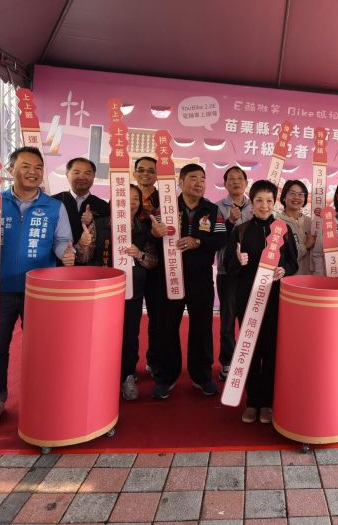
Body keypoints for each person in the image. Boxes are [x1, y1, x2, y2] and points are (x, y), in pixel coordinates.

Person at [0, 146, 75, 429]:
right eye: (26, 166)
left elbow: (62, 240)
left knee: (42, 346)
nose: (33, 172)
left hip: (41, 291)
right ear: (10, 169)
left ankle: (43, 396)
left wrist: (66, 253)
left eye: (38, 167)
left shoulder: (54, 207)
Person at [149, 163, 227, 399]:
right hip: (170, 277)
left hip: (200, 279)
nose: (199, 183)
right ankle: (165, 377)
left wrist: (198, 242)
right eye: (193, 178)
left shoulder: (212, 210)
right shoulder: (167, 208)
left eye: (202, 179)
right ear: (181, 182)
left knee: (202, 328)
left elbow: (221, 239)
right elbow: (154, 239)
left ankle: (202, 377)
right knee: (167, 327)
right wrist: (155, 233)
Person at [225, 180, 299, 423]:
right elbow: (228, 265)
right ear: (252, 202)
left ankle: (267, 402)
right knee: (250, 349)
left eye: (269, 201)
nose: (264, 205)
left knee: (270, 349)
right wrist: (239, 261)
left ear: (275, 202)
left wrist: (283, 271)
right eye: (259, 200)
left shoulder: (284, 229)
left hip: (275, 300)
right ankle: (252, 401)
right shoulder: (241, 230)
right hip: (248, 299)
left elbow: (293, 263)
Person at [78, 184, 155, 400]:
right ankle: (99, 376)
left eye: (135, 199)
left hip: (132, 291)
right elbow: (83, 258)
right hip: (101, 292)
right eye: (125, 198)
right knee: (99, 335)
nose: (130, 203)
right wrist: (82, 244)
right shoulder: (99, 225)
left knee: (130, 335)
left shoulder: (143, 228)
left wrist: (140, 255)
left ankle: (127, 376)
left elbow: (153, 261)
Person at [216, 166, 252, 381]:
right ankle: (228, 361)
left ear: (246, 183)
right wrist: (229, 222)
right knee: (227, 320)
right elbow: (215, 240)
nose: (236, 182)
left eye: (240, 178)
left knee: (249, 318)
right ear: (225, 183)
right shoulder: (217, 208)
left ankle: (248, 360)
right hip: (226, 271)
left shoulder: (255, 205)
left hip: (251, 272)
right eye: (231, 179)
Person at [133, 156, 161, 377]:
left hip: (155, 264)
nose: (145, 174)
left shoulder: (165, 199)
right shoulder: (125, 196)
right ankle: (127, 366)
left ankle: (154, 360)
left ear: (157, 175)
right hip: (128, 265)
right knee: (128, 319)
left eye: (150, 170)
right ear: (134, 173)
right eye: (141, 169)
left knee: (157, 316)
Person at [53, 157, 110, 264]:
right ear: (67, 174)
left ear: (93, 176)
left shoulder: (103, 206)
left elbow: (107, 237)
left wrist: (94, 221)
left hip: (91, 266)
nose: (82, 177)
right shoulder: (54, 201)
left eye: (87, 173)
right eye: (76, 172)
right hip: (58, 263)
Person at [276, 180, 315, 275]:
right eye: (292, 193)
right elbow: (281, 257)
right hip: (288, 278)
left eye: (301, 194)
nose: (296, 197)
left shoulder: (311, 222)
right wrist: (305, 246)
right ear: (284, 197)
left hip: (309, 278)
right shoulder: (277, 223)